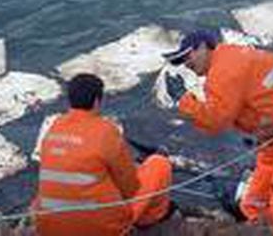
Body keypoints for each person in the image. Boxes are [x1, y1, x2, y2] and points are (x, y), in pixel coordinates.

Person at [163, 29, 273, 236]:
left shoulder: (223, 70)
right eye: (180, 62)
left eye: (187, 56)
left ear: (204, 47)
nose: (185, 64)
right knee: (253, 201)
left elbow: (215, 121)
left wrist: (183, 100)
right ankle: (269, 228)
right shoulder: (232, 56)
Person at [35, 73, 173, 236]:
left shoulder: (54, 128)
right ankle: (149, 221)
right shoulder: (105, 130)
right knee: (159, 164)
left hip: (50, 228)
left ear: (70, 99)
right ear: (96, 101)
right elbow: (129, 187)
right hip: (102, 229)